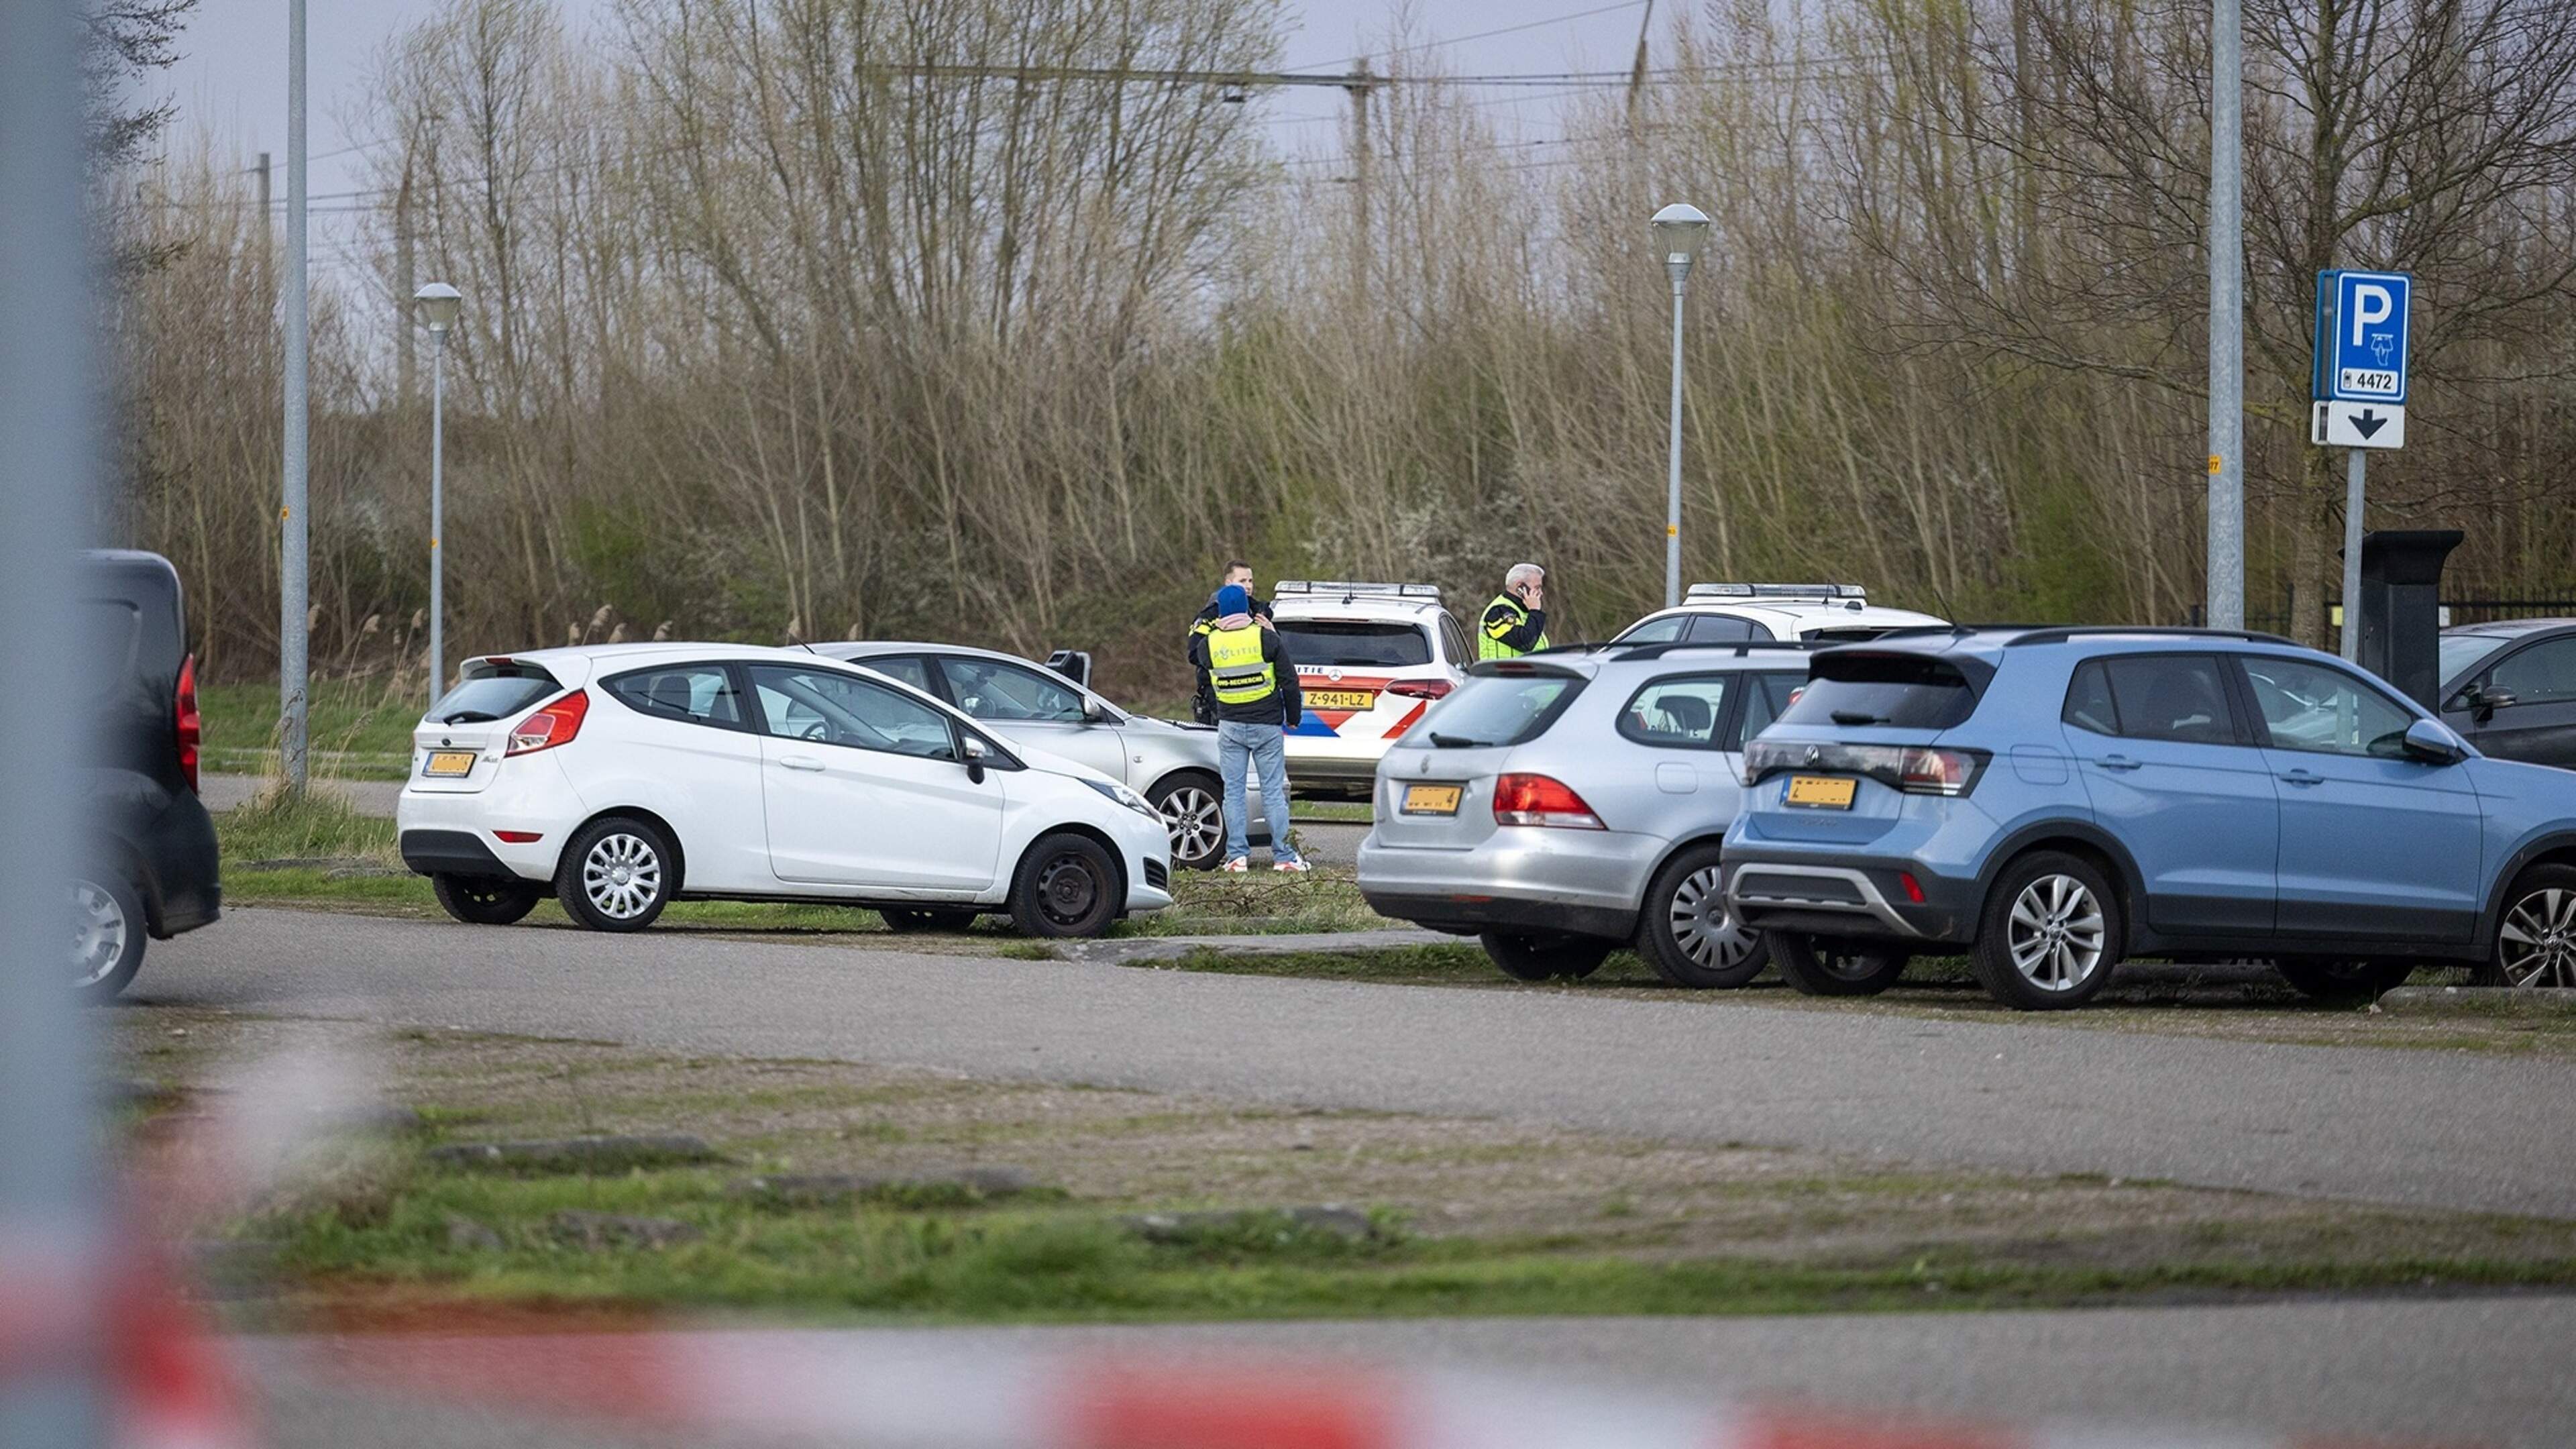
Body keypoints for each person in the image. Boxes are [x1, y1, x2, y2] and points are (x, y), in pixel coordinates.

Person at [1187, 583, 1306, 872]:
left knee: (1234, 792)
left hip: (1230, 726)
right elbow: (1289, 680)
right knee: (1272, 792)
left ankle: (1237, 857)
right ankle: (1284, 857)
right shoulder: (1266, 638)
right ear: (1245, 608)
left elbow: (1203, 672)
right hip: (1266, 725)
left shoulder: (1209, 645)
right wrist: (1294, 716)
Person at [1189, 560, 1271, 724]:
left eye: (1250, 581)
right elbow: (1194, 653)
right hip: (1219, 694)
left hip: (1255, 694)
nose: (1248, 586)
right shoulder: (1210, 616)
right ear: (1228, 583)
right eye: (1242, 581)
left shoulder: (1260, 612)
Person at [1479, 562, 1552, 659]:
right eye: (1537, 588)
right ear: (1520, 587)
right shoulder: (1499, 612)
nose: (1541, 593)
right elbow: (1525, 643)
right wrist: (1535, 611)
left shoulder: (1525, 612)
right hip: (1501, 674)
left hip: (1527, 674)